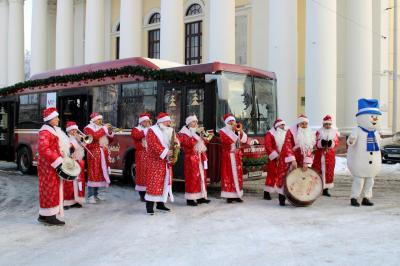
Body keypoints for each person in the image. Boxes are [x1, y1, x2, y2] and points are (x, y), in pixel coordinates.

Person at [347, 99, 382, 207]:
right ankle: (354, 197)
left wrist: (392, 140)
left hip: (372, 164)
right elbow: (350, 142)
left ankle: (366, 197)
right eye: (371, 117)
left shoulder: (376, 133)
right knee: (359, 181)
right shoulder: (357, 130)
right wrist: (351, 140)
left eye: (375, 117)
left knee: (370, 181)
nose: (374, 119)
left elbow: (379, 143)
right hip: (360, 163)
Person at [144, 112, 179, 215]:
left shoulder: (170, 131)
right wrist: (165, 152)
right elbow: (153, 144)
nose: (169, 123)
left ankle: (161, 204)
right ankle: (149, 207)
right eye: (168, 121)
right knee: (153, 184)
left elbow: (175, 141)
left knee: (164, 183)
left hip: (165, 161)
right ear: (162, 121)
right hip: (155, 161)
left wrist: (176, 145)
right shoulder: (152, 131)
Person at [277, 115, 316, 206]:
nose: (304, 125)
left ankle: (295, 198)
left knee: (299, 178)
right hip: (288, 156)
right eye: (302, 123)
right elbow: (287, 145)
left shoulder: (309, 132)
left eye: (306, 123)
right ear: (298, 123)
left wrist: (307, 162)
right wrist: (292, 160)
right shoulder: (291, 131)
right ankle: (282, 198)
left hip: (302, 158)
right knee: (285, 177)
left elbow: (310, 149)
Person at [37, 108, 66, 226]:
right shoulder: (45, 132)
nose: (58, 119)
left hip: (51, 164)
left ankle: (44, 215)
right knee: (50, 189)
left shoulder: (51, 130)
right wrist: (57, 159)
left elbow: (54, 147)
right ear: (50, 119)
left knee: (49, 189)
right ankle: (50, 217)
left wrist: (61, 153)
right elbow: (43, 149)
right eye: (56, 117)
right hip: (48, 166)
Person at [178, 115, 210, 206]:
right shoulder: (183, 133)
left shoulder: (198, 131)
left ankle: (200, 197)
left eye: (196, 122)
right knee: (192, 178)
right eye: (193, 122)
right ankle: (190, 198)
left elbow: (207, 140)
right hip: (191, 158)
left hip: (200, 157)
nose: (195, 123)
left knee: (201, 177)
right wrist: (196, 134)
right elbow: (189, 143)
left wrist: (204, 134)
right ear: (188, 124)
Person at [84, 112, 114, 204]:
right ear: (93, 120)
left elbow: (111, 140)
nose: (100, 121)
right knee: (93, 173)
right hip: (93, 153)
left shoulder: (101, 128)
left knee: (99, 174)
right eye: (98, 119)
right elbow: (94, 137)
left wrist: (109, 131)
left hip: (102, 153)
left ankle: (96, 194)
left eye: (101, 119)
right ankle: (90, 195)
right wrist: (104, 129)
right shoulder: (88, 128)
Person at [219, 114, 248, 203]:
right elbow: (226, 141)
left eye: (233, 121)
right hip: (229, 156)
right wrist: (234, 132)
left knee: (238, 176)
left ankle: (238, 194)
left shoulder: (237, 130)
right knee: (229, 176)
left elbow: (244, 140)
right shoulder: (222, 131)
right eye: (230, 121)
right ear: (226, 122)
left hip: (237, 156)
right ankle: (229, 196)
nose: (232, 123)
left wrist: (241, 131)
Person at [312, 115, 340, 197]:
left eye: (329, 124)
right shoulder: (319, 132)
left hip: (329, 155)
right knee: (318, 170)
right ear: (323, 124)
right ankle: (317, 188)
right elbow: (315, 142)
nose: (327, 126)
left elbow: (337, 142)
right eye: (326, 124)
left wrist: (332, 143)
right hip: (320, 155)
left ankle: (326, 189)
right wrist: (321, 143)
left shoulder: (334, 132)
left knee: (328, 172)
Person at [63, 121, 86, 208]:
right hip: (70, 163)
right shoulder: (66, 139)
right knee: (69, 183)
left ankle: (76, 200)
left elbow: (83, 149)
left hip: (78, 163)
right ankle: (67, 202)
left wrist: (82, 142)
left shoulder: (77, 139)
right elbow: (66, 151)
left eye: (75, 130)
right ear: (68, 131)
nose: (74, 132)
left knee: (78, 182)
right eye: (72, 130)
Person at [263, 118, 287, 200]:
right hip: (274, 158)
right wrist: (276, 156)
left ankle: (280, 191)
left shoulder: (285, 133)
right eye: (282, 125)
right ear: (277, 126)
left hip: (283, 158)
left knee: (281, 175)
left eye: (284, 125)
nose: (283, 127)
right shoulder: (270, 134)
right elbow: (268, 146)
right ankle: (266, 193)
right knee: (272, 174)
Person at [131, 113, 152, 202]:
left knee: (149, 174)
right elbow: (137, 136)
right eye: (146, 121)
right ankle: (142, 194)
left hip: (150, 154)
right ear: (141, 122)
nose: (148, 123)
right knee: (141, 174)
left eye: (148, 121)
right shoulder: (136, 129)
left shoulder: (150, 129)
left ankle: (149, 192)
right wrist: (147, 130)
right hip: (141, 154)